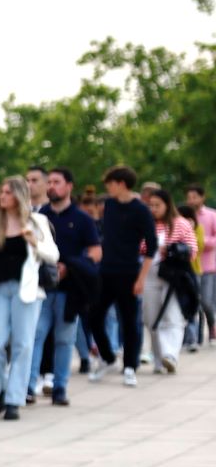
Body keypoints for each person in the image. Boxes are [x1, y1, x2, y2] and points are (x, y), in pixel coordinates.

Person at [0, 176, 59, 421]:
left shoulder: (37, 222)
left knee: (23, 344)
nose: (2, 196)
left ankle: (14, 399)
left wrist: (35, 242)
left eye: (8, 192)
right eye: (2, 192)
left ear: (19, 195)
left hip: (27, 290)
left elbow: (53, 254)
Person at [33, 167, 100, 405]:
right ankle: (30, 385)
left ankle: (60, 387)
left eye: (57, 182)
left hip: (70, 290)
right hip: (41, 287)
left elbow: (95, 251)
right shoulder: (40, 215)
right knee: (36, 335)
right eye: (48, 182)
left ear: (69, 186)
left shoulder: (82, 219)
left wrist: (71, 265)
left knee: (64, 339)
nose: (51, 186)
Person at [86, 166, 158, 389]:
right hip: (106, 271)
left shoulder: (141, 210)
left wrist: (141, 278)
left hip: (130, 272)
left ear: (121, 183)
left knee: (130, 322)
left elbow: (151, 246)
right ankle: (108, 358)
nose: (107, 188)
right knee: (94, 316)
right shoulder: (109, 206)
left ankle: (130, 367)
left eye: (110, 183)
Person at [143, 184, 197, 374]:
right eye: (151, 205)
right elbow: (139, 247)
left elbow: (192, 250)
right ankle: (159, 359)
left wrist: (172, 249)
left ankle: (170, 354)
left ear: (167, 205)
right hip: (149, 275)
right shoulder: (146, 224)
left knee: (172, 316)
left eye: (157, 205)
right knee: (152, 318)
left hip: (174, 277)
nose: (153, 209)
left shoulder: (180, 223)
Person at [184, 185, 215, 349]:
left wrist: (203, 242)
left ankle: (212, 326)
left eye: (194, 197)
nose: (191, 200)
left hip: (208, 266)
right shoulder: (183, 216)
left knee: (207, 302)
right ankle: (194, 336)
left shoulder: (211, 215)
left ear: (202, 197)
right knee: (193, 302)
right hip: (189, 266)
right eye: (189, 197)